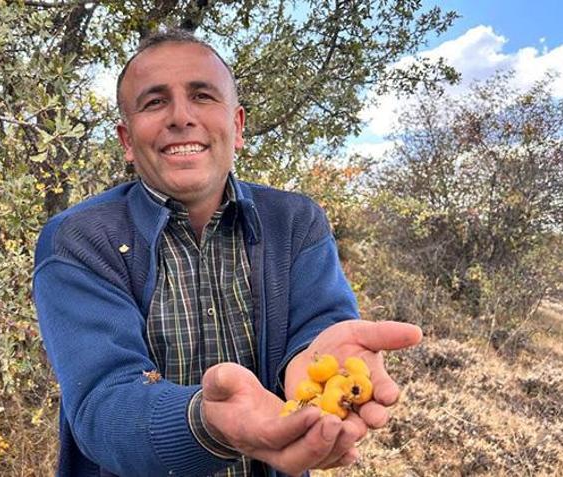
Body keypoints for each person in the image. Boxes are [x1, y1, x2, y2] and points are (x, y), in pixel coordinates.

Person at [33, 28, 422, 477]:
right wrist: (209, 423)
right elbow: (103, 405)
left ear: (236, 127)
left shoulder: (295, 221)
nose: (181, 117)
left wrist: (315, 360)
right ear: (126, 140)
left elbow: (320, 330)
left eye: (202, 96)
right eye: (155, 102)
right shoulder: (79, 239)